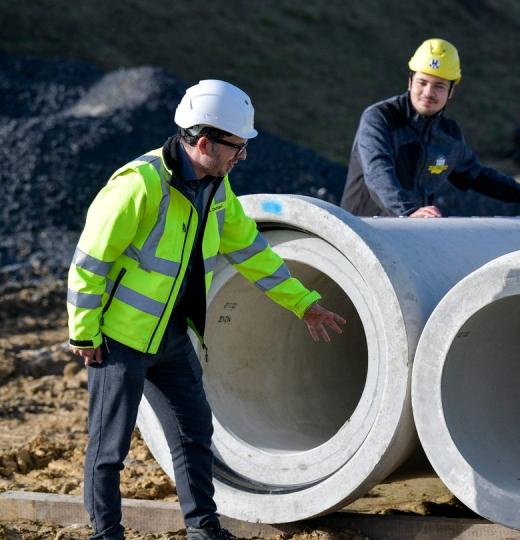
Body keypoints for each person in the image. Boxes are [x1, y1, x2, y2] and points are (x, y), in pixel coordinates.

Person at [66, 80, 347, 540]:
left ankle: (204, 529)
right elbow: (88, 266)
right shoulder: (138, 187)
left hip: (174, 337)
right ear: (203, 143)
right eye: (237, 147)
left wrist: (304, 303)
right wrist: (84, 334)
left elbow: (252, 252)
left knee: (194, 434)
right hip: (119, 340)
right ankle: (106, 534)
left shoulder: (216, 188)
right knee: (109, 446)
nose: (242, 156)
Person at [340, 38, 520, 218]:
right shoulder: (380, 118)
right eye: (422, 82)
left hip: (407, 235)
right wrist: (407, 212)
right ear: (410, 82)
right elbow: (378, 172)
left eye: (439, 86)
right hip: (361, 231)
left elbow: (477, 175)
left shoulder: (449, 136)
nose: (428, 92)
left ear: (451, 91)